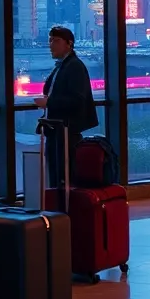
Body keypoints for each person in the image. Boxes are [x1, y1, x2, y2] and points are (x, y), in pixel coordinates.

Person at [35, 26, 99, 189]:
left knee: (64, 176)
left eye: (56, 41)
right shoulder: (61, 66)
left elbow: (77, 100)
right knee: (55, 175)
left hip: (66, 131)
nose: (51, 44)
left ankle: (65, 209)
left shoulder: (75, 66)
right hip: (56, 129)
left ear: (69, 44)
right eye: (50, 40)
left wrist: (49, 103)